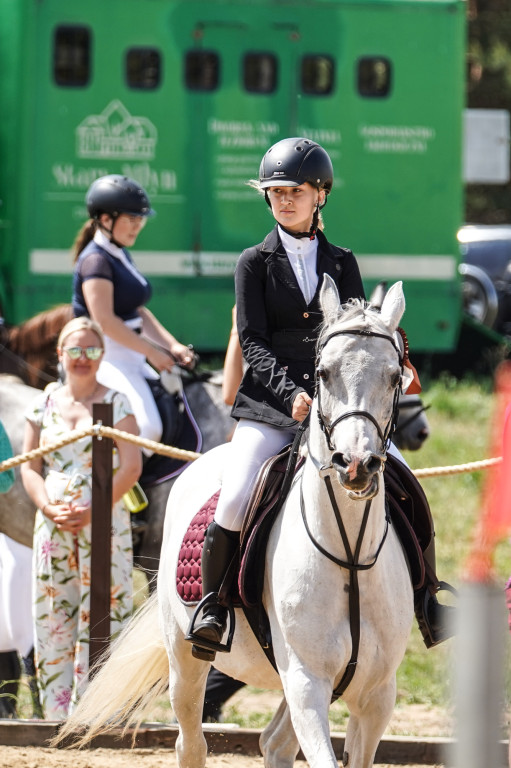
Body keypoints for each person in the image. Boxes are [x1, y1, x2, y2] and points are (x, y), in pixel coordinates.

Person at [187, 136, 453, 661]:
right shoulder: (253, 263)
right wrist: (291, 396)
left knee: (405, 484)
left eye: (295, 191)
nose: (284, 200)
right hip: (269, 405)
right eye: (275, 192)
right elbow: (253, 341)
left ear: (320, 196)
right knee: (237, 492)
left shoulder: (342, 260)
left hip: (339, 409)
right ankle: (213, 608)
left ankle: (428, 597)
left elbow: (357, 335)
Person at [20, 316, 142, 719]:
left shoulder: (116, 402)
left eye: (91, 350)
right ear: (60, 354)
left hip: (103, 526)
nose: (83, 358)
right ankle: (56, 716)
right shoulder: (43, 403)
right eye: (75, 350)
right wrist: (48, 506)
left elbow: (131, 466)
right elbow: (29, 467)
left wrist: (94, 509)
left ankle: (98, 712)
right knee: (54, 612)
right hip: (53, 529)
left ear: (102, 354)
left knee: (105, 611)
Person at [72, 174, 194, 454]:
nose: (138, 225)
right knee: (147, 428)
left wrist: (171, 345)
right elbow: (105, 322)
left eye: (141, 219)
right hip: (108, 357)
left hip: (131, 353)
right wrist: (152, 353)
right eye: (131, 218)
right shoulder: (95, 261)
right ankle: (114, 496)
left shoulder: (119, 253)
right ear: (105, 219)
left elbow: (137, 311)